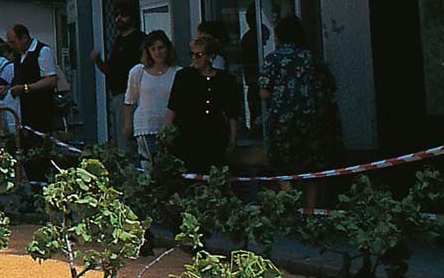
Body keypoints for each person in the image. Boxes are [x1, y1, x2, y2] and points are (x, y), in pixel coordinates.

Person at [256, 16, 335, 175]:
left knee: (281, 166)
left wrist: (280, 102)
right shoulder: (312, 57)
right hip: (313, 121)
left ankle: (289, 197)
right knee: (312, 168)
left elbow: (264, 92)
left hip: (283, 122)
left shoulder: (273, 59)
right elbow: (330, 86)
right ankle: (311, 201)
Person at [165, 34, 241, 173]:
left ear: (210, 56)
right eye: (192, 54)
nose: (194, 58)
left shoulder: (225, 80)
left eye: (199, 55)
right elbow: (173, 107)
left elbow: (232, 113)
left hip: (214, 134)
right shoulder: (184, 76)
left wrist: (233, 139)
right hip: (187, 135)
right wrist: (168, 133)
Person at [7, 23, 58, 179]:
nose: (12, 47)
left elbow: (50, 80)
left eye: (13, 42)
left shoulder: (42, 52)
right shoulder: (19, 57)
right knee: (27, 157)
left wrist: (26, 88)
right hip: (24, 114)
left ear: (24, 38)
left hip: (40, 113)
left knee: (40, 156)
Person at [90, 5, 144, 151]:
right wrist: (98, 61)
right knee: (122, 139)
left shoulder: (140, 40)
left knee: (129, 140)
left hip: (134, 94)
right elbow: (111, 70)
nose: (119, 18)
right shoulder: (118, 41)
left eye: (123, 15)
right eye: (116, 15)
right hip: (118, 93)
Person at [122, 30, 178, 165]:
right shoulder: (138, 72)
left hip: (169, 126)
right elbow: (130, 100)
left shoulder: (177, 72)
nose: (157, 53)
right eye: (153, 49)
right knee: (150, 162)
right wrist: (128, 125)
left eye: (161, 48)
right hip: (146, 126)